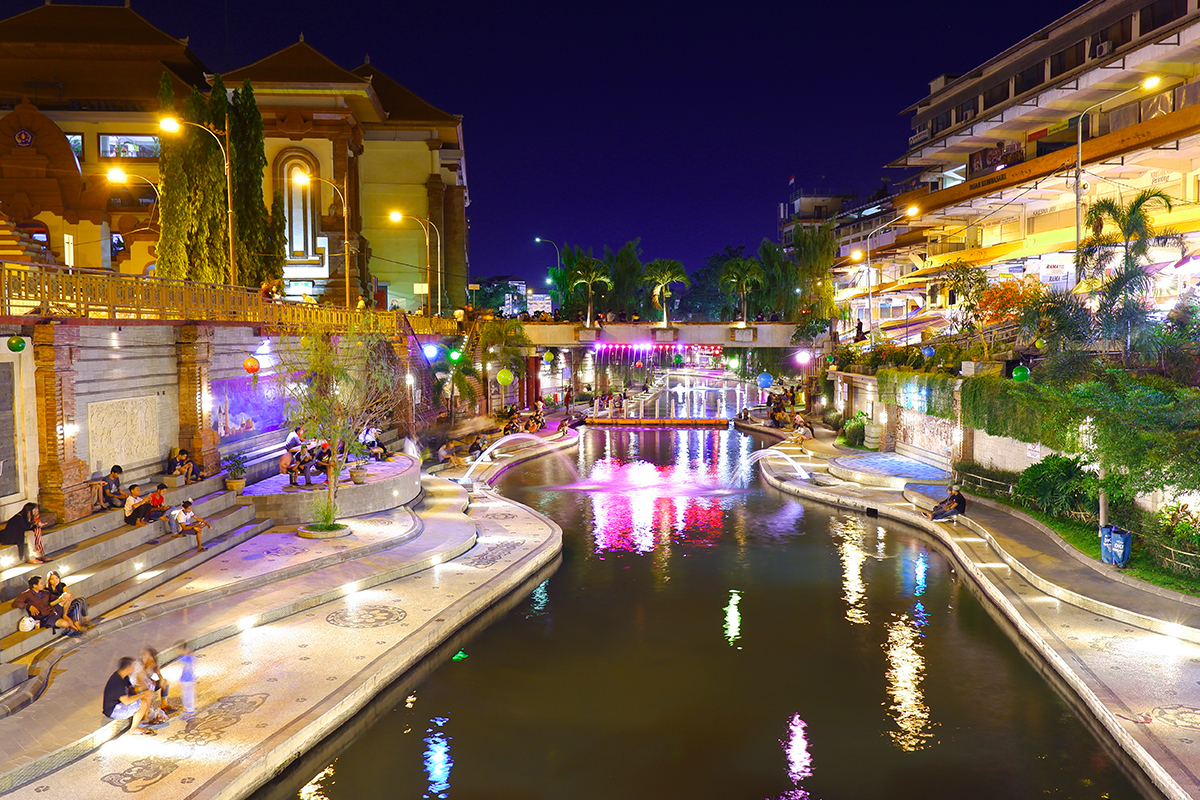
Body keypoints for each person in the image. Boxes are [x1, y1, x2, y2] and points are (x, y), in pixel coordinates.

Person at [13, 575, 83, 636]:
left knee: (68, 596)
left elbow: (53, 598)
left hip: (52, 610)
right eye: (41, 583)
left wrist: (63, 597)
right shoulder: (27, 594)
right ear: (35, 585)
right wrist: (29, 606)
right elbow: (16, 603)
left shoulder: (45, 592)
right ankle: (75, 629)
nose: (43, 585)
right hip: (45, 617)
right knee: (65, 624)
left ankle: (66, 616)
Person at [133, 646, 176, 714]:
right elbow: (139, 680)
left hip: (148, 684)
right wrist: (146, 670)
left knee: (164, 681)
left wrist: (161, 679)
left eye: (149, 657)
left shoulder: (153, 663)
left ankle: (164, 704)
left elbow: (159, 675)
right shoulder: (138, 665)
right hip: (136, 687)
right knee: (149, 687)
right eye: (145, 657)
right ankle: (144, 711)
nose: (146, 659)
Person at [175, 642, 197, 720]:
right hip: (187, 679)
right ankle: (190, 709)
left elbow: (182, 660)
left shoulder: (186, 658)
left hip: (187, 679)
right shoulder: (189, 657)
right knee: (188, 695)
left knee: (187, 696)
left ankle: (190, 711)